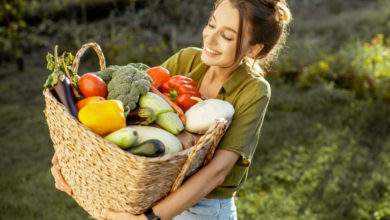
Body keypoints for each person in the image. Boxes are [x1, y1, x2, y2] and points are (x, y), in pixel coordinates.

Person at [51, 0, 292, 219]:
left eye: (227, 37)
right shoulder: (186, 60)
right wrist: (69, 160)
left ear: (254, 49)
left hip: (201, 207)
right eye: (211, 25)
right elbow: (121, 118)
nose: (209, 39)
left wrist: (150, 218)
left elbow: (218, 171)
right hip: (153, 193)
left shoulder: (254, 90)